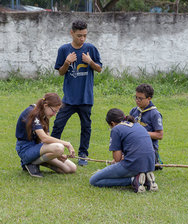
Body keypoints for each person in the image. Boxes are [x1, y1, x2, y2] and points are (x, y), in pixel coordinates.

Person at [51, 20, 102, 166]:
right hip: (68, 98)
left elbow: (99, 69)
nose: (82, 39)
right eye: (79, 35)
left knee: (86, 127)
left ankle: (83, 155)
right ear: (71, 33)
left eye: (85, 35)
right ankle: (52, 151)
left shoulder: (91, 49)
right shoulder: (63, 50)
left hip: (86, 98)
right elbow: (61, 73)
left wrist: (90, 62)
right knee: (58, 125)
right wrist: (67, 62)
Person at [89, 108, 158, 193]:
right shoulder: (137, 125)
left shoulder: (116, 129)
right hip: (150, 164)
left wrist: (116, 162)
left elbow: (117, 159)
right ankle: (144, 177)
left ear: (112, 123)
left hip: (133, 165)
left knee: (94, 180)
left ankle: (133, 180)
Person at [15, 93, 77, 178]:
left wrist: (57, 154)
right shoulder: (32, 112)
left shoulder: (44, 115)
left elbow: (47, 138)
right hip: (25, 149)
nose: (54, 114)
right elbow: (44, 139)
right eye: (53, 111)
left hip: (37, 149)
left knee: (71, 168)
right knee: (59, 147)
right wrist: (67, 144)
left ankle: (35, 162)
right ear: (46, 105)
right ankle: (31, 163)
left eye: (56, 112)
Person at [130, 84, 164, 170]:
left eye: (140, 98)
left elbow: (159, 135)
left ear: (149, 98)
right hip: (134, 145)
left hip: (148, 147)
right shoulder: (134, 111)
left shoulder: (154, 114)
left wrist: (141, 133)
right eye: (136, 97)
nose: (137, 100)